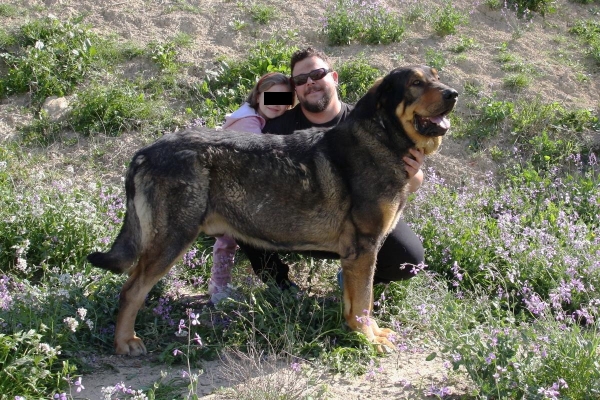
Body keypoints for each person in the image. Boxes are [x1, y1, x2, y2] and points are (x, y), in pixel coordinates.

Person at [237, 47, 426, 290]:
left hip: (359, 224)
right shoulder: (278, 124)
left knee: (409, 259)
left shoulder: (368, 122)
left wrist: (411, 173)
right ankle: (278, 283)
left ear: (334, 78)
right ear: (295, 89)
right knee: (238, 203)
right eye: (301, 80)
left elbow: (414, 182)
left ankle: (353, 278)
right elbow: (253, 107)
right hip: (299, 229)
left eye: (317, 74)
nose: (310, 83)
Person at [208, 72, 294, 303]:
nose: (277, 105)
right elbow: (259, 154)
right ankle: (219, 288)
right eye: (272, 97)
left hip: (234, 184)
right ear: (258, 97)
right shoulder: (248, 122)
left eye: (284, 99)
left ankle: (221, 285)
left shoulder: (254, 117)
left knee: (229, 239)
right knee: (227, 240)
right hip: (225, 188)